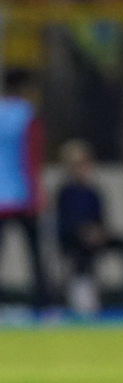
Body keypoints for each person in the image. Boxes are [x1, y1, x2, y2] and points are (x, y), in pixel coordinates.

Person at [57, 139, 123, 316]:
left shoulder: (92, 192)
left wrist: (99, 232)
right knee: (81, 251)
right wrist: (83, 232)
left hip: (95, 237)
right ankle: (83, 292)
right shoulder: (64, 193)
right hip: (73, 239)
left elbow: (101, 219)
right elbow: (65, 222)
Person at [0, 68, 52, 312]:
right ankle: (42, 304)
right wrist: (37, 191)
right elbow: (31, 157)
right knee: (35, 253)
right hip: (21, 194)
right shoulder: (27, 114)